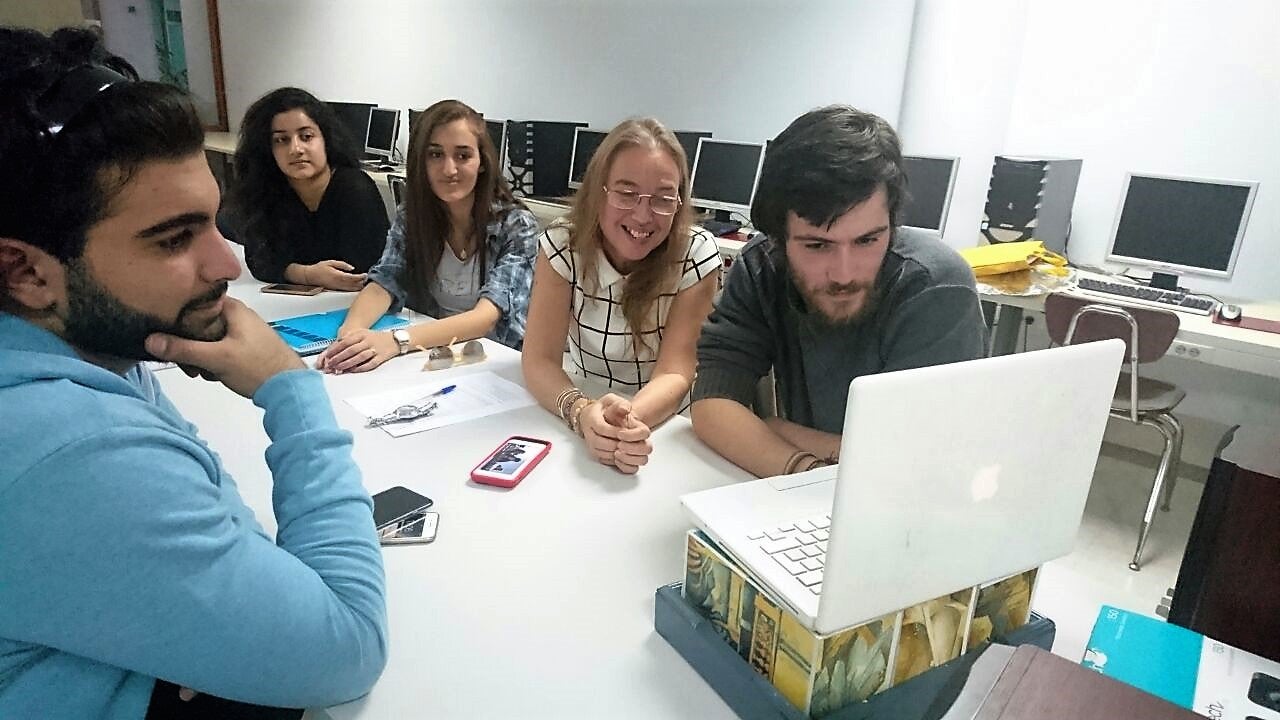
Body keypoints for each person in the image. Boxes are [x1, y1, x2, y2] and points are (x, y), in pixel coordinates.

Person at [0, 28, 386, 717]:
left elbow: (214, 510)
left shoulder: (93, 345)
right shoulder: (66, 443)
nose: (227, 265)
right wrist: (289, 388)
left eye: (211, 221)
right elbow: (347, 650)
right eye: (175, 239)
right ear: (26, 271)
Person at [690, 105, 987, 478]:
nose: (845, 274)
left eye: (867, 240)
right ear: (779, 239)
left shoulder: (935, 287)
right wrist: (804, 470)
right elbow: (714, 403)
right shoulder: (761, 266)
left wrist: (776, 429)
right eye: (817, 246)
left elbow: (909, 464)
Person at [521, 118, 721, 474]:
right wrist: (582, 412)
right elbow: (539, 360)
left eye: (663, 199)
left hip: (662, 425)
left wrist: (622, 423)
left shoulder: (696, 253)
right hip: (584, 398)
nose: (643, 215)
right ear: (599, 190)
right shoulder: (562, 245)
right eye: (626, 193)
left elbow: (676, 371)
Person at [316, 99, 538, 373]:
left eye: (463, 155)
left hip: (493, 364)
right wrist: (350, 334)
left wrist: (395, 342)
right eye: (435, 155)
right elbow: (386, 280)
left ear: (482, 162)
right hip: (433, 355)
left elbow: (486, 318)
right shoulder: (412, 216)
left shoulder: (516, 225)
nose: (449, 169)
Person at [223, 87, 389, 291]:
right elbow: (260, 262)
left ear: (326, 140)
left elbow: (362, 274)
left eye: (306, 136)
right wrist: (308, 274)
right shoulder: (267, 190)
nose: (296, 149)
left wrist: (292, 271)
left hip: (353, 304)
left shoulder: (355, 189)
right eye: (281, 140)